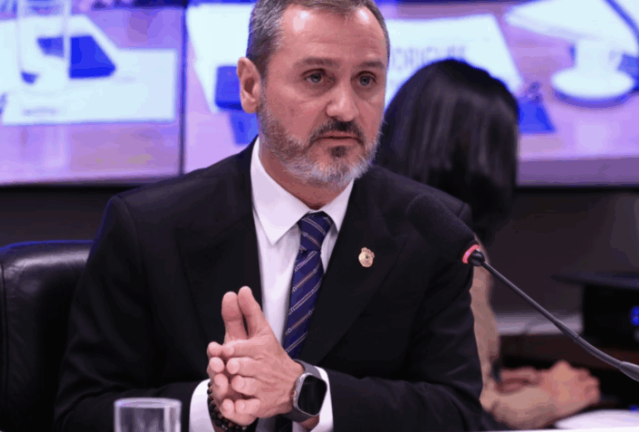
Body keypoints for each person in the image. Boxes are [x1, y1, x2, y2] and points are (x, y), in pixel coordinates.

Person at [54, 2, 485, 432]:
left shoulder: (427, 232)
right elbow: (82, 414)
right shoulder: (150, 228)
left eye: (366, 80)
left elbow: (457, 414)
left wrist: (304, 392)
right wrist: (213, 407)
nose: (346, 109)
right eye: (316, 77)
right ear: (250, 86)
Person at [377, 59, 602, 430]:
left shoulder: (371, 221)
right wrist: (553, 398)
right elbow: (468, 417)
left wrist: (495, 382)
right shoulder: (455, 250)